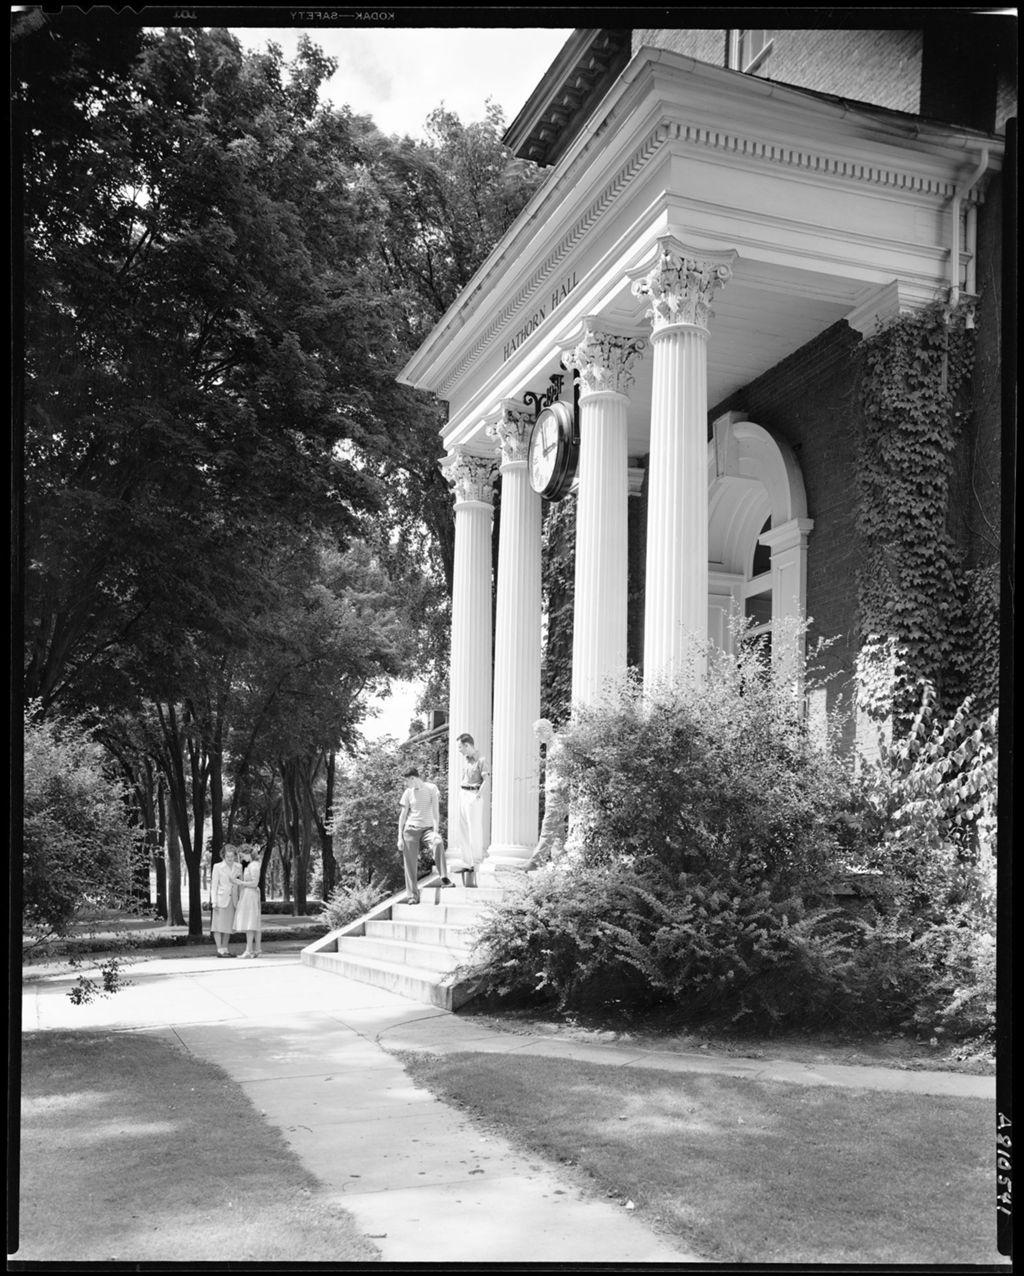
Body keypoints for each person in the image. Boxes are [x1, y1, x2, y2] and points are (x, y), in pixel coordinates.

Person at [397, 766, 451, 905]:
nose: (406, 784)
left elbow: (435, 812)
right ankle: (412, 896)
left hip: (427, 830)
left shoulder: (432, 789)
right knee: (410, 864)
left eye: (407, 781)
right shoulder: (408, 793)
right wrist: (399, 838)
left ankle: (444, 877)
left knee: (438, 842)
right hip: (410, 830)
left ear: (413, 778)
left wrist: (436, 831)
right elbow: (403, 816)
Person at [455, 732, 489, 883]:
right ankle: (466, 861)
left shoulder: (481, 760)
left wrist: (478, 796)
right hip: (463, 793)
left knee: (474, 827)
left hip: (474, 794)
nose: (460, 750)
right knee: (462, 828)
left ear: (468, 745)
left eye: (461, 747)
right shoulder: (466, 761)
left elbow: (486, 779)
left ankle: (476, 861)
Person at [233, 846, 264, 958]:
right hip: (248, 894)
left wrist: (241, 883)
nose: (241, 858)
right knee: (250, 922)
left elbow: (255, 883)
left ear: (248, 853)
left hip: (250, 894)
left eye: (242, 855)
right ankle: (253, 950)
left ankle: (249, 950)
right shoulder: (251, 865)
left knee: (250, 922)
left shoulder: (254, 865)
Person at [210, 845, 240, 957]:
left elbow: (239, 884)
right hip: (220, 900)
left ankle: (225, 949)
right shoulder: (217, 867)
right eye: (228, 856)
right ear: (224, 855)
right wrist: (214, 902)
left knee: (228, 926)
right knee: (218, 926)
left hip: (233, 900)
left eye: (232, 856)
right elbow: (214, 886)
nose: (230, 858)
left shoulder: (238, 867)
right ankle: (220, 950)